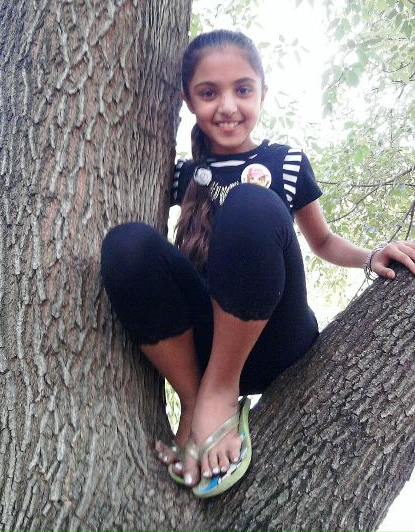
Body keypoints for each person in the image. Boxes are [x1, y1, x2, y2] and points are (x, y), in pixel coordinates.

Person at [101, 30, 415, 498]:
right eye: (209, 93)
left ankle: (220, 392)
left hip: (273, 338)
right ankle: (195, 398)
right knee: (125, 244)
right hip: (200, 348)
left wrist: (370, 256)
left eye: (242, 89)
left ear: (263, 93)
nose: (227, 106)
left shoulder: (285, 162)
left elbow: (323, 241)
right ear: (188, 100)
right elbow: (151, 268)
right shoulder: (181, 174)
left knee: (251, 204)